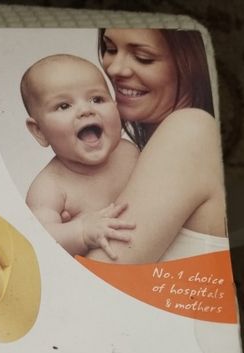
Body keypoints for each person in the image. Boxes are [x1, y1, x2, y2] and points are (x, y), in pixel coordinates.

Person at [87, 28, 227, 264]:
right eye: (110, 49)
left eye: (143, 57)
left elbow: (98, 274)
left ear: (194, 62)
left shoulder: (190, 129)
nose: (114, 68)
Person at [21, 54, 138, 260]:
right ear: (39, 131)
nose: (86, 110)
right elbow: (37, 238)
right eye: (64, 106)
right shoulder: (50, 187)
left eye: (97, 99)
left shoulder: (130, 152)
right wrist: (81, 232)